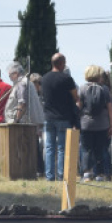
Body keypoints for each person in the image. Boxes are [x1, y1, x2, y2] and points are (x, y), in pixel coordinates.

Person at [41, 53, 81, 181]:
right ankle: (61, 175)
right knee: (62, 148)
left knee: (49, 147)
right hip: (63, 117)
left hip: (48, 117)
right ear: (62, 63)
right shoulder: (66, 79)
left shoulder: (44, 78)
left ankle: (49, 176)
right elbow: (76, 97)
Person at [79, 65, 112, 181]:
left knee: (86, 149)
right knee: (100, 149)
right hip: (102, 124)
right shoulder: (104, 89)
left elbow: (79, 106)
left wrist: (76, 121)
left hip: (86, 124)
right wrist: (111, 125)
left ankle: (87, 174)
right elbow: (110, 109)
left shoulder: (82, 88)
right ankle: (100, 174)